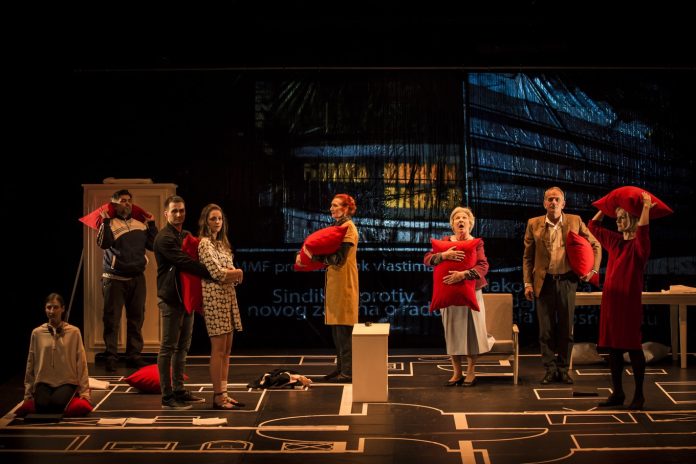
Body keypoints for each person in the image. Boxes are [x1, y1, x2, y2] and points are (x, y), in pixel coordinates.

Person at [523, 186, 601, 385]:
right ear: (544, 203)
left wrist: (593, 271)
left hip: (567, 281)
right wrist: (527, 283)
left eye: (557, 199)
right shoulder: (533, 223)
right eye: (550, 199)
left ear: (563, 203)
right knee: (545, 330)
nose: (553, 202)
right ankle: (550, 369)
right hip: (544, 282)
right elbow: (528, 257)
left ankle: (564, 369)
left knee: (566, 329)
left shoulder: (575, 221)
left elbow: (595, 245)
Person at [154, 195, 219, 410]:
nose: (179, 214)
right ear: (166, 214)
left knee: (183, 347)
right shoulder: (164, 238)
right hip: (171, 298)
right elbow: (183, 261)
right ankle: (167, 397)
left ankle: (179, 390)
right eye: (174, 211)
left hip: (186, 298)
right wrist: (213, 272)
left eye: (181, 210)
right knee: (168, 347)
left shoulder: (185, 234)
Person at [590, 191, 653, 410]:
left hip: (628, 304)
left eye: (622, 217)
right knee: (613, 349)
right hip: (611, 302)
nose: (617, 221)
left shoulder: (639, 246)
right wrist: (606, 207)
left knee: (633, 347)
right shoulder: (615, 242)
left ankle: (639, 396)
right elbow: (593, 227)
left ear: (633, 219)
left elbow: (643, 231)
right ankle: (618, 393)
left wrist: (645, 208)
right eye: (616, 217)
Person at [425, 207, 493, 387]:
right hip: (448, 294)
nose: (461, 220)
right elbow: (427, 259)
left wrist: (463, 275)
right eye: (457, 218)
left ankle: (471, 371)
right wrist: (443, 255)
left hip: (471, 293)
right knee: (452, 331)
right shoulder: (445, 242)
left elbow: (483, 266)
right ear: (452, 224)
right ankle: (456, 372)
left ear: (470, 223)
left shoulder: (476, 243)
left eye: (464, 218)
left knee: (472, 332)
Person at [297, 194, 359, 383]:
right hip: (336, 281)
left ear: (346, 208)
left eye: (335, 205)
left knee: (344, 329)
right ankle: (341, 368)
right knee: (337, 329)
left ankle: (348, 372)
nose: (331, 208)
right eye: (331, 205)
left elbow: (338, 259)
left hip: (344, 282)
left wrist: (313, 257)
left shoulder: (348, 228)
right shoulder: (339, 226)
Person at [97, 189, 158, 372]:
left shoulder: (140, 225)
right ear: (115, 205)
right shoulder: (108, 223)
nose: (127, 203)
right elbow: (104, 244)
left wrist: (152, 225)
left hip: (137, 278)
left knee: (136, 319)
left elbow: (153, 245)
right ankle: (111, 357)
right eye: (123, 200)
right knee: (112, 321)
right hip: (114, 279)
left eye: (129, 200)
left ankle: (134, 356)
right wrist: (105, 223)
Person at [197, 203, 246, 410]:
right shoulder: (205, 244)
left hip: (228, 297)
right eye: (213, 219)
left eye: (219, 218)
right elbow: (218, 273)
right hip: (214, 299)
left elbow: (228, 272)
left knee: (226, 351)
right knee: (218, 350)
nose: (217, 222)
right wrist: (238, 273)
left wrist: (231, 274)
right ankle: (218, 397)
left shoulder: (222, 244)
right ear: (205, 222)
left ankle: (224, 393)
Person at [24, 293, 90, 413]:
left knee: (57, 404)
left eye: (55, 307)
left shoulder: (74, 332)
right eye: (49, 307)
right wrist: (28, 392)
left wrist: (84, 391)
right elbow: (31, 362)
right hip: (44, 381)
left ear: (63, 309)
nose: (52, 311)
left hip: (67, 381)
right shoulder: (37, 333)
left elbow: (81, 361)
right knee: (41, 406)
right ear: (45, 309)